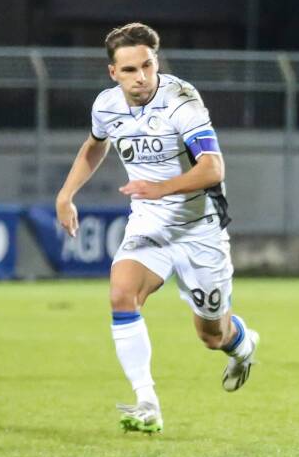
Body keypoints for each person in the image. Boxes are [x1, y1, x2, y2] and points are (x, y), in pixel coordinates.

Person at [54, 23, 259, 434]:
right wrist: (66, 194)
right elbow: (96, 143)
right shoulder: (107, 106)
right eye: (130, 69)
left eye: (148, 65)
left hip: (200, 227)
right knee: (121, 293)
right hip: (150, 223)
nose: (142, 77)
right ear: (113, 72)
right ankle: (147, 401)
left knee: (212, 335)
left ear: (156, 61)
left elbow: (212, 168)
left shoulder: (181, 100)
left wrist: (160, 188)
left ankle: (244, 344)